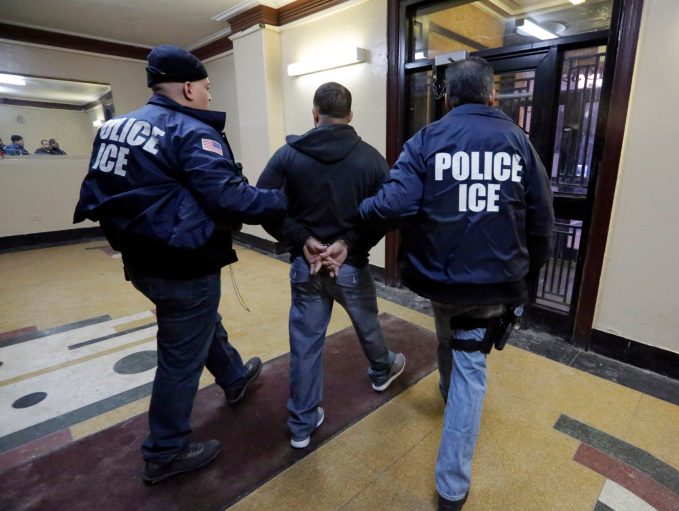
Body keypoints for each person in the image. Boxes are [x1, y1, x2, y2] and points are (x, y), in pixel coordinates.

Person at [73, 45, 288, 485]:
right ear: (189, 88)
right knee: (179, 354)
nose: (209, 96)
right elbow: (229, 196)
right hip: (182, 260)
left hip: (140, 259)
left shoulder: (115, 126)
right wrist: (283, 199)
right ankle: (164, 451)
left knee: (195, 321)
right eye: (208, 88)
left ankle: (232, 377)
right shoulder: (191, 131)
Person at [359, 57, 554, 510]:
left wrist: (356, 216)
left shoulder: (426, 140)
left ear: (447, 97)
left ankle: (449, 403)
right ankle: (452, 486)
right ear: (491, 95)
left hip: (440, 278)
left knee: (451, 332)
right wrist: (526, 282)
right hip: (494, 282)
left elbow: (394, 206)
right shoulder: (518, 143)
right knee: (469, 365)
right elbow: (542, 221)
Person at [257, 82, 406, 449]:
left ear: (314, 113)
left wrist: (302, 239)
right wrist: (346, 244)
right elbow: (386, 215)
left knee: (305, 344)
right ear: (350, 116)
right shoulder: (371, 159)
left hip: (306, 267)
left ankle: (303, 423)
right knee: (368, 324)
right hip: (350, 267)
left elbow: (261, 204)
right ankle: (382, 370)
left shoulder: (287, 156)